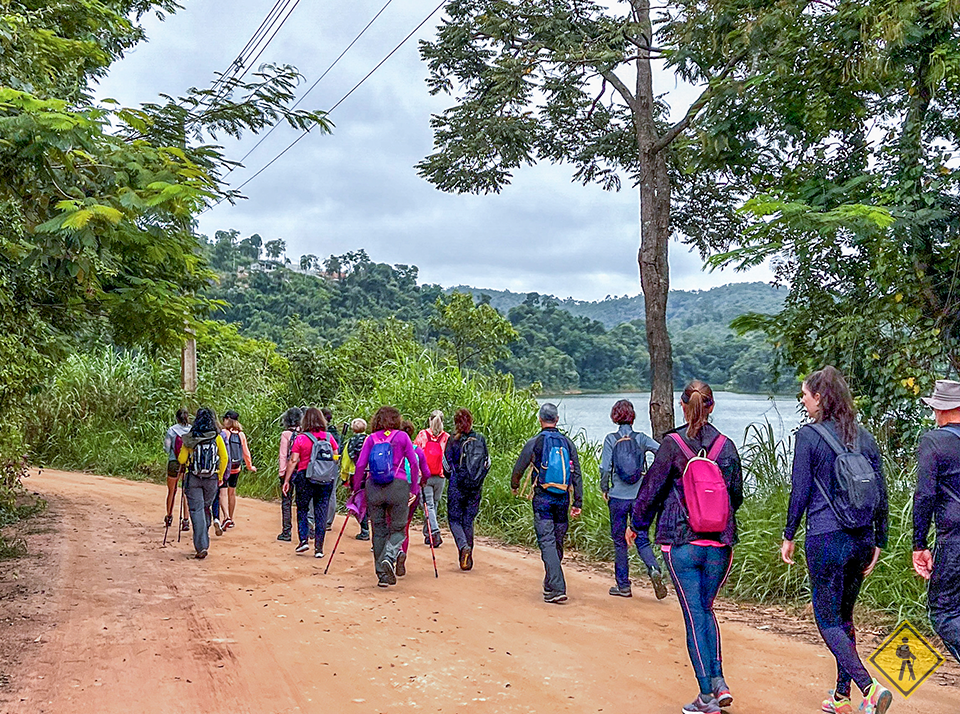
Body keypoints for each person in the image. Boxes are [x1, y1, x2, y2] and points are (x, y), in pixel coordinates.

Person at [781, 366, 891, 714]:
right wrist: (879, 539)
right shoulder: (864, 437)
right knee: (845, 617)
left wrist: (789, 535)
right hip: (861, 538)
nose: (803, 399)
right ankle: (842, 697)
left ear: (820, 398)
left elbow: (799, 491)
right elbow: (882, 492)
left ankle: (869, 688)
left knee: (827, 620)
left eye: (806, 394)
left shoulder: (808, 437)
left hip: (826, 537)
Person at [632, 381, 743, 714]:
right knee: (707, 610)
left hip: (681, 542)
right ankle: (719, 681)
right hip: (720, 544)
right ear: (712, 406)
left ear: (683, 405)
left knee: (694, 615)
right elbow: (735, 498)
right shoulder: (727, 446)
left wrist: (636, 526)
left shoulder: (672, 445)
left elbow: (650, 491)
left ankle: (707, 695)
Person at [511, 403, 582, 603]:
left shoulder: (535, 442)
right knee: (557, 541)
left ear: (540, 419)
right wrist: (578, 501)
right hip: (563, 499)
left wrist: (514, 485)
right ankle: (551, 584)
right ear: (557, 419)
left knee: (547, 542)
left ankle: (557, 587)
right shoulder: (568, 443)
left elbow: (520, 466)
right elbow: (576, 474)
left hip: (542, 498)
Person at [913, 379, 960, 664]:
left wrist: (919, 544)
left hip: (954, 539)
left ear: (942, 411)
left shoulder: (934, 441)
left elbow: (925, 495)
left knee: (943, 613)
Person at [600, 399, 666, 599]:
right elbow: (662, 453)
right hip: (640, 497)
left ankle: (623, 586)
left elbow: (604, 468)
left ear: (615, 417)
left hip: (618, 497)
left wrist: (605, 488)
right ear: (632, 416)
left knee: (620, 541)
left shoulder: (611, 439)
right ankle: (653, 569)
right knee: (642, 538)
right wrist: (651, 478)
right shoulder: (641, 438)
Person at [353, 406, 419, 587]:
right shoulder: (402, 437)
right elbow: (413, 463)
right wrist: (413, 488)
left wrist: (356, 487)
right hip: (398, 487)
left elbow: (360, 465)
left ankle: (382, 575)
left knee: (379, 529)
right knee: (398, 528)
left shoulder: (371, 439)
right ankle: (390, 557)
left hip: (374, 487)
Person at [282, 407, 339, 557]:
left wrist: (287, 480)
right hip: (325, 480)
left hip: (305, 477)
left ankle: (304, 541)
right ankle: (319, 549)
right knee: (321, 511)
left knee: (302, 509)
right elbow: (335, 455)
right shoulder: (328, 437)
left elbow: (293, 460)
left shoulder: (301, 438)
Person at [177, 407, 228, 559]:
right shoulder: (217, 437)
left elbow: (181, 460)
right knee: (205, 507)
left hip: (193, 478)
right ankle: (204, 536)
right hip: (212, 479)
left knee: (196, 510)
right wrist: (219, 476)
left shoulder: (190, 437)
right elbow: (224, 458)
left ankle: (201, 545)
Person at [446, 408, 491, 572]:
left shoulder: (452, 441)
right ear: (471, 421)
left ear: (455, 423)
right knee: (468, 520)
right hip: (475, 488)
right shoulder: (480, 438)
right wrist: (478, 479)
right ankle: (467, 557)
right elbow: (487, 464)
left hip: (457, 486)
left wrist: (454, 477)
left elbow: (446, 465)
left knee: (454, 520)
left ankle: (463, 547)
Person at [398, 419, 429, 576]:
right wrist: (421, 483)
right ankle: (402, 552)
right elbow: (427, 473)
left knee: (391, 524)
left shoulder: (393, 448)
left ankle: (392, 554)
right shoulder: (417, 451)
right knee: (405, 525)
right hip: (412, 491)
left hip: (394, 488)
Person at [219, 409, 256, 531]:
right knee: (232, 492)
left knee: (222, 492)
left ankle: (226, 517)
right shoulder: (241, 434)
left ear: (227, 419)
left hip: (225, 468)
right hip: (236, 467)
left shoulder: (224, 432)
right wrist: (250, 466)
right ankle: (231, 518)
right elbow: (246, 452)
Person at [415, 410, 449, 547]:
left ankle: (434, 531)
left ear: (430, 420)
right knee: (433, 505)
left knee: (428, 505)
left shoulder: (422, 435)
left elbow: (415, 454)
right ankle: (428, 534)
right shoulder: (446, 437)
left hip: (425, 476)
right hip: (440, 476)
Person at [163, 408, 191, 532]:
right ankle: (185, 520)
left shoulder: (172, 430)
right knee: (186, 492)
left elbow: (167, 448)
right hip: (188, 463)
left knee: (172, 491)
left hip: (174, 462)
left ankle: (169, 516)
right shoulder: (192, 430)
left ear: (177, 418)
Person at [277, 407, 303, 541]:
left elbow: (283, 455)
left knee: (286, 502)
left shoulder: (286, 434)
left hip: (289, 471)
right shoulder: (304, 434)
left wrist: (282, 473)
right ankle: (305, 531)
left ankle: (286, 532)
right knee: (302, 502)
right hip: (302, 471)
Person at [345, 419, 370, 540]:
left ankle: (364, 529)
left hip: (355, 473)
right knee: (369, 501)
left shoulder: (351, 441)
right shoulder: (370, 439)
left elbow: (347, 458)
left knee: (357, 501)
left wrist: (344, 476)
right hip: (370, 474)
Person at [322, 408, 340, 531]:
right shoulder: (335, 433)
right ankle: (328, 521)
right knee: (332, 492)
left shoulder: (323, 433)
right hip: (334, 463)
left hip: (321, 465)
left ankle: (314, 518)